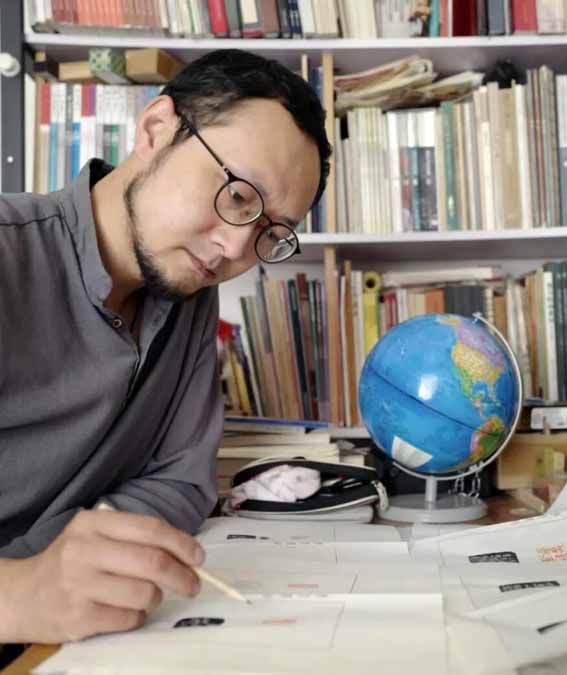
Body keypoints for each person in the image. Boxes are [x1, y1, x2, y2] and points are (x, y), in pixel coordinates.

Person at [0, 49, 331, 645]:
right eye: (237, 195)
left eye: (270, 231)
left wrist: (76, 564)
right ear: (156, 129)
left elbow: (180, 484)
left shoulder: (188, 294)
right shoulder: (9, 256)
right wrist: (21, 589)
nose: (236, 248)